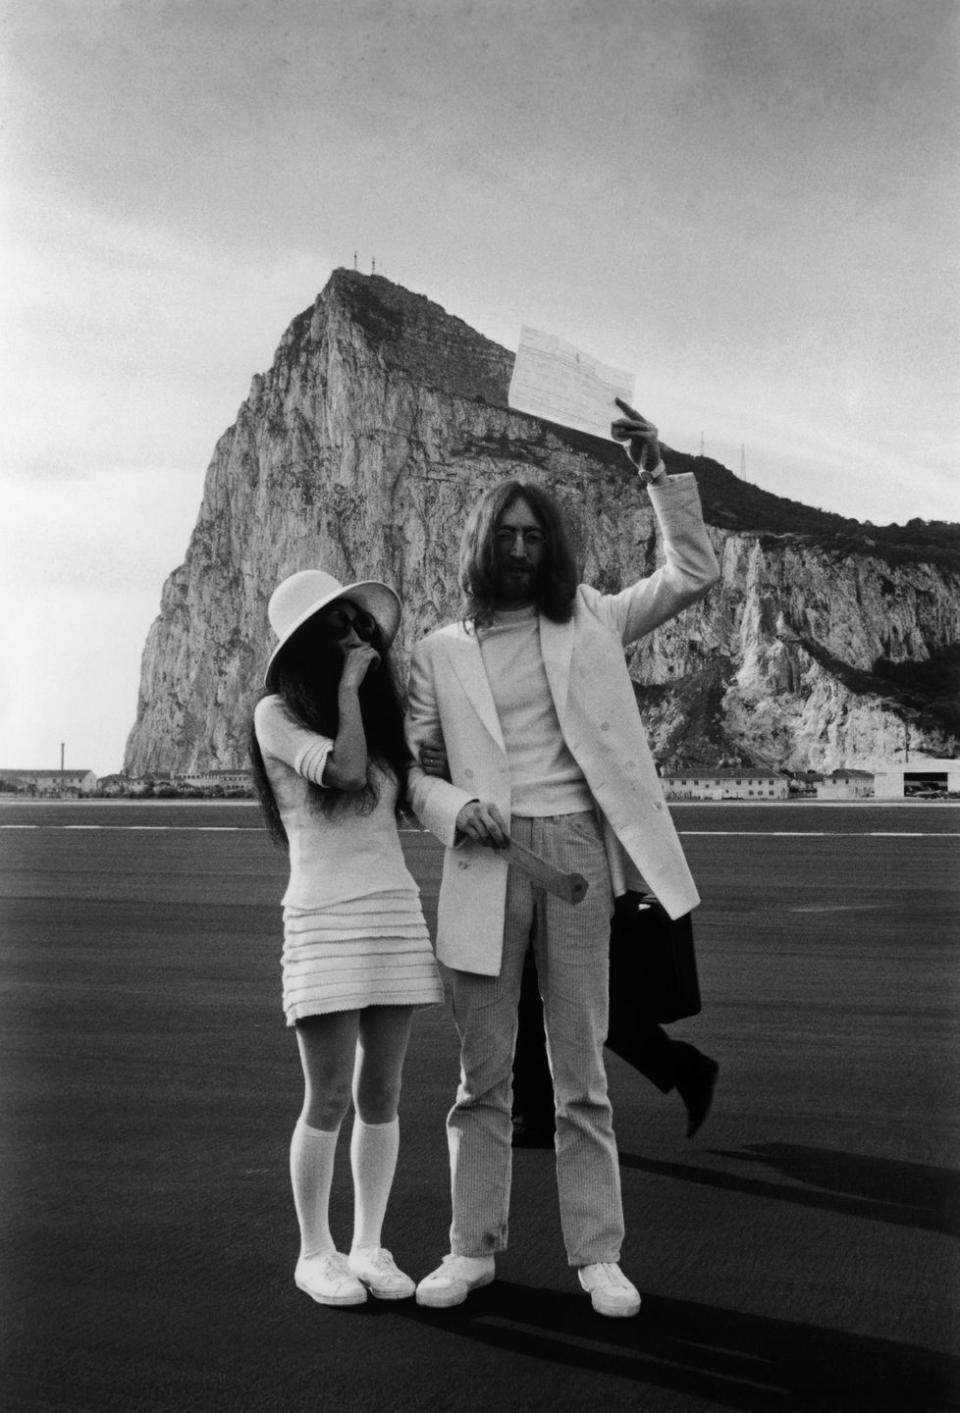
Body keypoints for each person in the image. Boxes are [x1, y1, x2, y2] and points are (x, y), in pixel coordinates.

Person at [406, 400, 720, 1318]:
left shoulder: (591, 619)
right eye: (504, 533)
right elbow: (416, 775)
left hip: (578, 854)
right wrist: (455, 808)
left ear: (553, 545)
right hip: (483, 864)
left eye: (533, 532)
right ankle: (472, 1247)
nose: (518, 546)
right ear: (481, 542)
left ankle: (599, 1254)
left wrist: (657, 471)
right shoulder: (438, 650)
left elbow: (693, 571)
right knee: (482, 1075)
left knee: (581, 1071)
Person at [251, 569, 444, 1308]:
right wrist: (350, 691)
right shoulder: (277, 714)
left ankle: (369, 1243)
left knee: (384, 1090)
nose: (358, 637)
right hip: (324, 917)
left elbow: (406, 784)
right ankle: (315, 1250)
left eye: (360, 624)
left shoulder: (372, 710)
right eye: (339, 627)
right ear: (305, 645)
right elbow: (348, 770)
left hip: (391, 910)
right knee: (327, 1094)